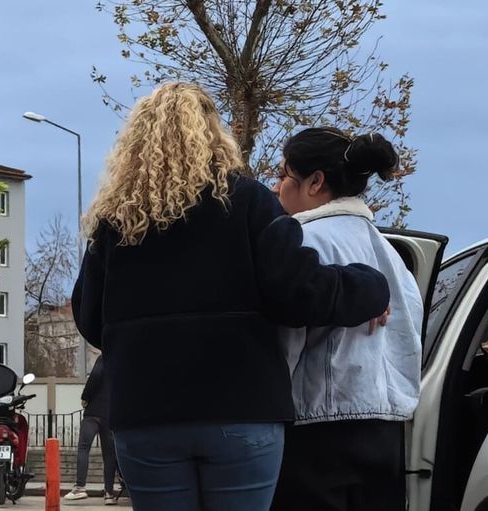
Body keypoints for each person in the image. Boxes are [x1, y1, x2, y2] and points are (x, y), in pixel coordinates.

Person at [71, 82, 391, 511]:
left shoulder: (115, 220)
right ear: (211, 134)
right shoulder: (248, 201)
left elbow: (90, 316)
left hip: (146, 414)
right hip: (243, 408)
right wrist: (372, 286)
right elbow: (299, 292)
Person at [270, 128, 424, 511]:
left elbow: (284, 341)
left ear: (315, 182)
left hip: (315, 430)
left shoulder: (301, 242)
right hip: (387, 433)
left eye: (283, 174)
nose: (275, 186)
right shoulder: (391, 254)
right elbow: (409, 337)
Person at [64, 355, 118, 505]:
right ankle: (109, 493)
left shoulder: (104, 358)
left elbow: (95, 376)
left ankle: (80, 487)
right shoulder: (121, 360)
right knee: (109, 454)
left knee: (84, 447)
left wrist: (85, 397)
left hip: (93, 412)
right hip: (109, 414)